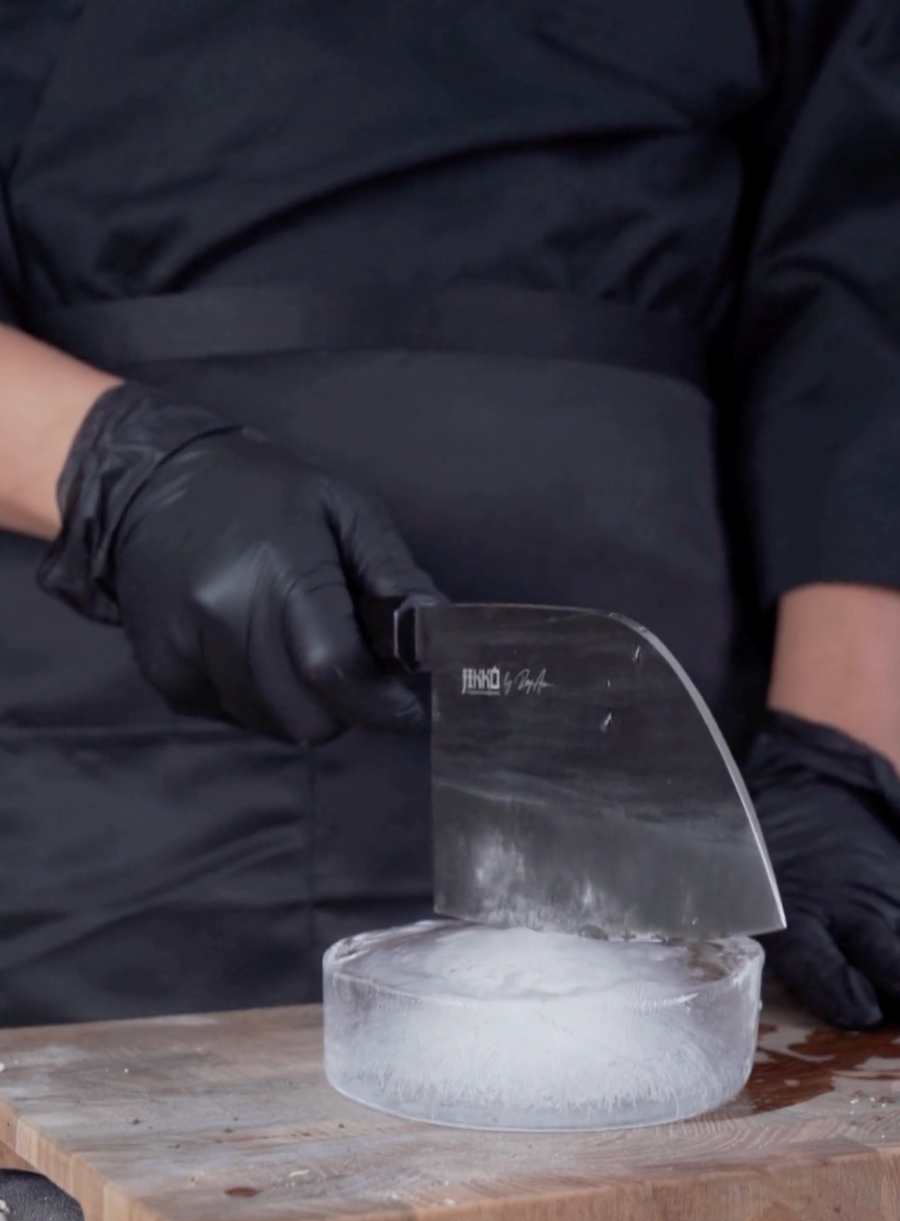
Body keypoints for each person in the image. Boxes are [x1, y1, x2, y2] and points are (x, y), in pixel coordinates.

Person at [1, 0, 899, 1032]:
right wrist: (114, 470)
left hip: (658, 759)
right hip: (114, 773)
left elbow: (866, 246)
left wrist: (844, 753)